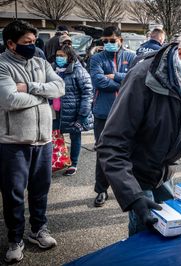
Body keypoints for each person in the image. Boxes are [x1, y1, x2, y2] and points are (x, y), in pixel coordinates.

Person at [96, 29, 181, 236]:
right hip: (136, 171)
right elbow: (111, 143)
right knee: (145, 231)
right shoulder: (142, 77)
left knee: (172, 228)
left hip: (165, 170)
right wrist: (133, 196)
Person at [0, 20, 65, 263]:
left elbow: (60, 88)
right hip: (13, 142)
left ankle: (38, 230)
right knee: (14, 193)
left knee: (40, 190)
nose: (32, 46)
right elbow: (8, 100)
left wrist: (29, 87)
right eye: (26, 43)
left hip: (43, 141)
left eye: (34, 42)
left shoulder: (40, 62)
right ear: (10, 43)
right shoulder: (2, 66)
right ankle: (15, 238)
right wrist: (42, 97)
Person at [90, 26, 136, 208]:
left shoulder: (131, 57)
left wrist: (114, 76)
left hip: (127, 112)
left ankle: (130, 190)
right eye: (105, 41)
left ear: (121, 40)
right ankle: (101, 190)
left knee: (129, 152)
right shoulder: (96, 58)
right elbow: (98, 81)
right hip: (103, 113)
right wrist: (122, 82)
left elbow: (135, 79)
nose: (108, 44)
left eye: (112, 40)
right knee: (103, 152)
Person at [52, 45, 94, 176]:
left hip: (73, 112)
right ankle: (56, 162)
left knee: (75, 136)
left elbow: (87, 94)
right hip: (54, 111)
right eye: (57, 55)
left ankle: (73, 163)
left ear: (69, 57)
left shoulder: (78, 70)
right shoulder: (52, 69)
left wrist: (82, 116)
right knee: (54, 137)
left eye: (62, 56)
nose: (59, 58)